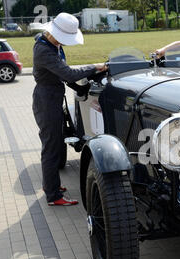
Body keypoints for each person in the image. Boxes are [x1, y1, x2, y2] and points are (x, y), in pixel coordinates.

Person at [32, 12, 107, 206]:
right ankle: (53, 196)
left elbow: (62, 75)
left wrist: (83, 86)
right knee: (51, 147)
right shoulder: (43, 50)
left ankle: (51, 185)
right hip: (46, 101)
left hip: (52, 98)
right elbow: (67, 73)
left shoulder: (51, 44)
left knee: (55, 144)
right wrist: (95, 67)